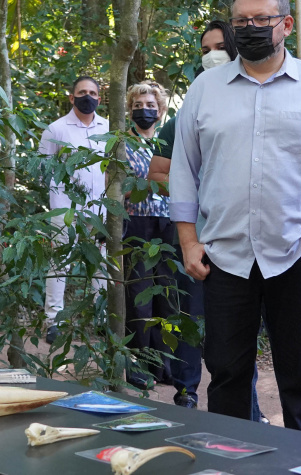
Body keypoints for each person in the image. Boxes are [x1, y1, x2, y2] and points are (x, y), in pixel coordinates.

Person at [169, 0, 301, 435]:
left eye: (260, 19)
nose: (248, 28)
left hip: (295, 251)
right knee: (227, 375)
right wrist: (188, 241)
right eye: (239, 21)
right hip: (223, 257)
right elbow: (183, 169)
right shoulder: (205, 90)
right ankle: (230, 463)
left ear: (286, 23)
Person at [148, 21, 267, 420]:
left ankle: (250, 412)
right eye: (204, 49)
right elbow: (160, 171)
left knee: (243, 334)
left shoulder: (261, 100)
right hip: (198, 237)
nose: (211, 54)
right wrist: (197, 196)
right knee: (193, 319)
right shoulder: (188, 110)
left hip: (256, 241)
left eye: (219, 46)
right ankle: (187, 393)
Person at [38, 76, 109, 344]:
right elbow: (44, 169)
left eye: (92, 92)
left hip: (100, 209)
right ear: (71, 97)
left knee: (100, 263)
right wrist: (61, 201)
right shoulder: (56, 129)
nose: (87, 96)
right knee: (59, 263)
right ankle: (53, 321)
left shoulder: (108, 128)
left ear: (99, 99)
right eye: (81, 92)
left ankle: (100, 319)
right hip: (65, 208)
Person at [122, 81, 174, 389]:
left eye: (151, 106)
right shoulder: (122, 143)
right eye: (138, 106)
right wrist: (155, 183)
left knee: (166, 295)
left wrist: (149, 183)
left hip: (169, 221)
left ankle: (162, 364)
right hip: (136, 223)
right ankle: (137, 364)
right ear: (129, 109)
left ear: (161, 110)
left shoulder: (167, 142)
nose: (145, 111)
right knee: (138, 297)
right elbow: (121, 188)